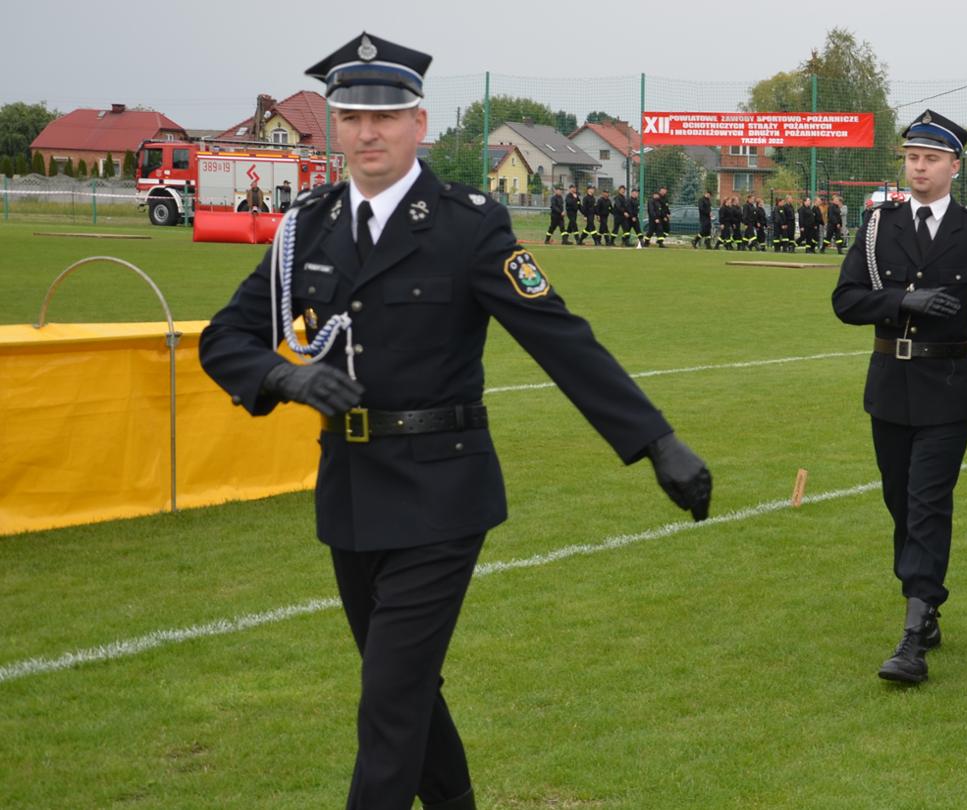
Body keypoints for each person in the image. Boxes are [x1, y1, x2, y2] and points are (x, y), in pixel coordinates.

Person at [197, 33, 713, 810]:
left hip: (442, 491)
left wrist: (656, 441)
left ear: (419, 124)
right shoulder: (309, 228)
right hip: (349, 490)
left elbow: (560, 337)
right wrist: (284, 375)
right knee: (403, 688)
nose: (369, 133)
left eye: (389, 116)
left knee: (388, 701)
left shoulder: (467, 225)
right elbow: (224, 338)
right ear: (336, 126)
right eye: (352, 118)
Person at [832, 110, 967, 686]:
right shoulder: (880, 225)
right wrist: (902, 304)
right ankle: (926, 603)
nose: (919, 167)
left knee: (928, 501)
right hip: (890, 384)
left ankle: (912, 635)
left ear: (955, 167)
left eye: (931, 158)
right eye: (912, 157)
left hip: (949, 388)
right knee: (899, 503)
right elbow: (847, 300)